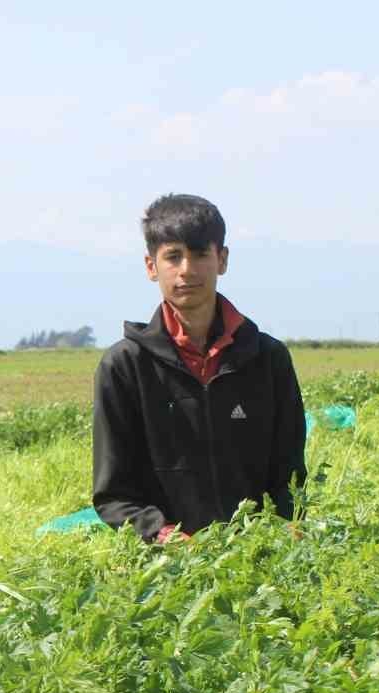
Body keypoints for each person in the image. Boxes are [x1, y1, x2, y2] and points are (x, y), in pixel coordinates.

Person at [92, 194, 306, 543]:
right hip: (165, 570)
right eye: (173, 257)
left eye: (200, 254)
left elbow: (289, 476)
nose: (186, 270)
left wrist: (282, 533)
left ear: (222, 260)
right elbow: (113, 495)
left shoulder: (268, 359)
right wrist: (163, 537)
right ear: (151, 266)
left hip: (259, 559)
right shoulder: (125, 366)